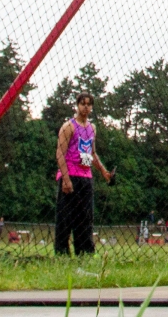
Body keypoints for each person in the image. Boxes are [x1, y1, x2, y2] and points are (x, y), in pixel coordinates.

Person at [55, 92, 115, 256]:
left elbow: (91, 153)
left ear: (92, 107)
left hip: (85, 177)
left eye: (89, 104)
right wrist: (66, 179)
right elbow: (60, 153)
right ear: (77, 105)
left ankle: (85, 253)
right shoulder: (69, 126)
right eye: (82, 103)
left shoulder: (92, 128)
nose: (85, 107)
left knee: (85, 218)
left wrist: (103, 172)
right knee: (65, 218)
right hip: (70, 176)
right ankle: (62, 253)